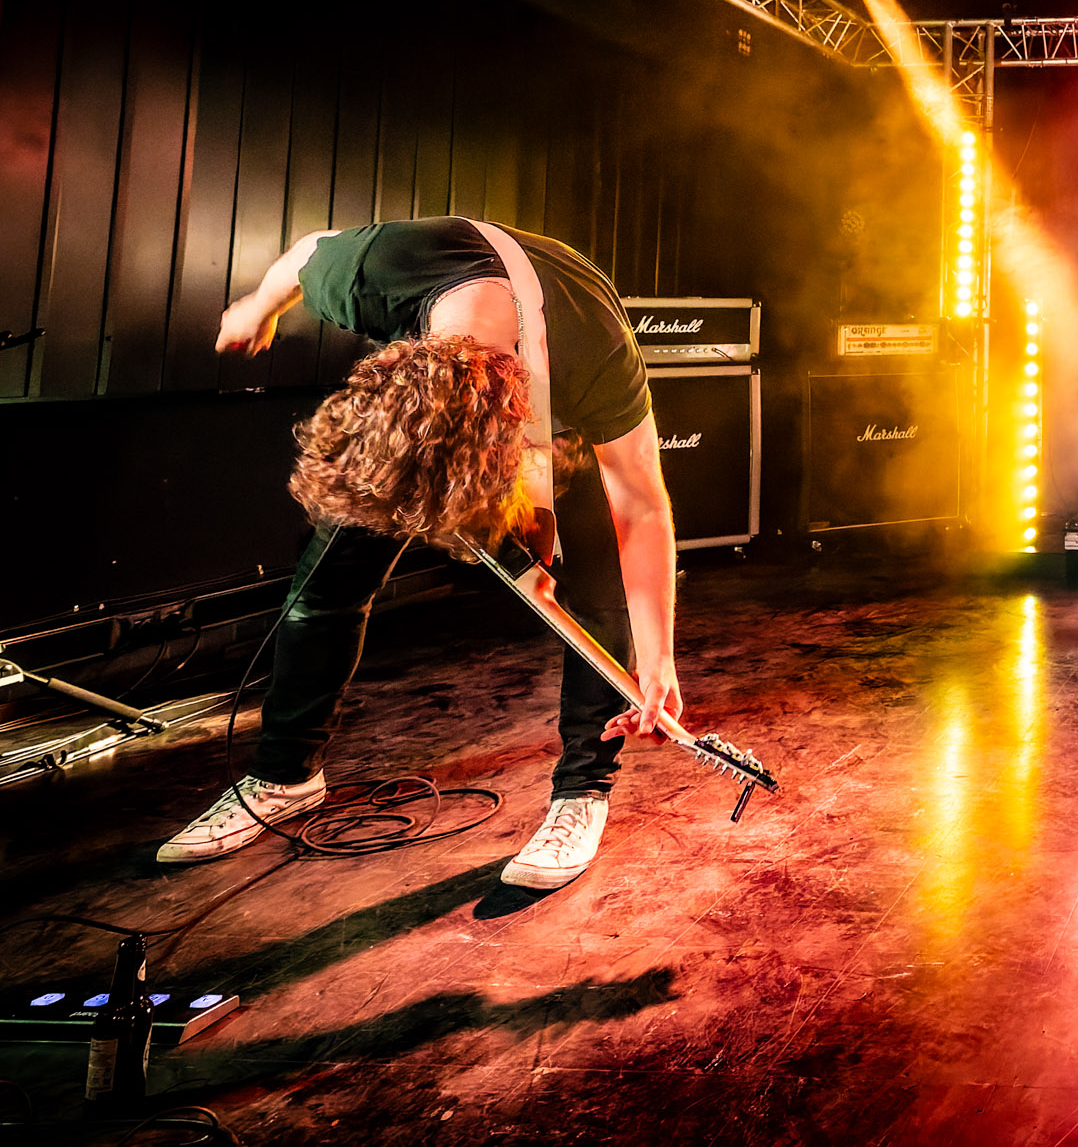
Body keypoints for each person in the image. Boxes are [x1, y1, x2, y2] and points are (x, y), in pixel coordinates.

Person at [159, 217, 684, 890]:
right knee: (328, 577)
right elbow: (303, 254)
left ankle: (582, 790)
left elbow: (642, 505)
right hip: (423, 413)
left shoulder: (594, 356)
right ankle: (285, 775)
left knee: (602, 589)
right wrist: (259, 307)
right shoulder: (372, 274)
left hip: (563, 418)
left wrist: (659, 661)